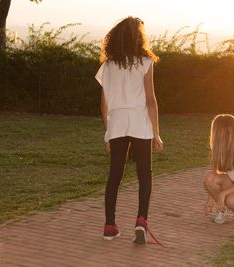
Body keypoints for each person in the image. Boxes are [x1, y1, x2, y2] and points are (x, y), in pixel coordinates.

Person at [95, 16, 163, 245]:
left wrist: (108, 132)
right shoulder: (145, 62)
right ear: (138, 37)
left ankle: (109, 225)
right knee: (145, 174)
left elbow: (104, 105)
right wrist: (156, 133)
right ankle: (141, 221)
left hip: (117, 122)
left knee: (115, 174)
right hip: (140, 122)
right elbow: (151, 100)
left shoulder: (108, 66)